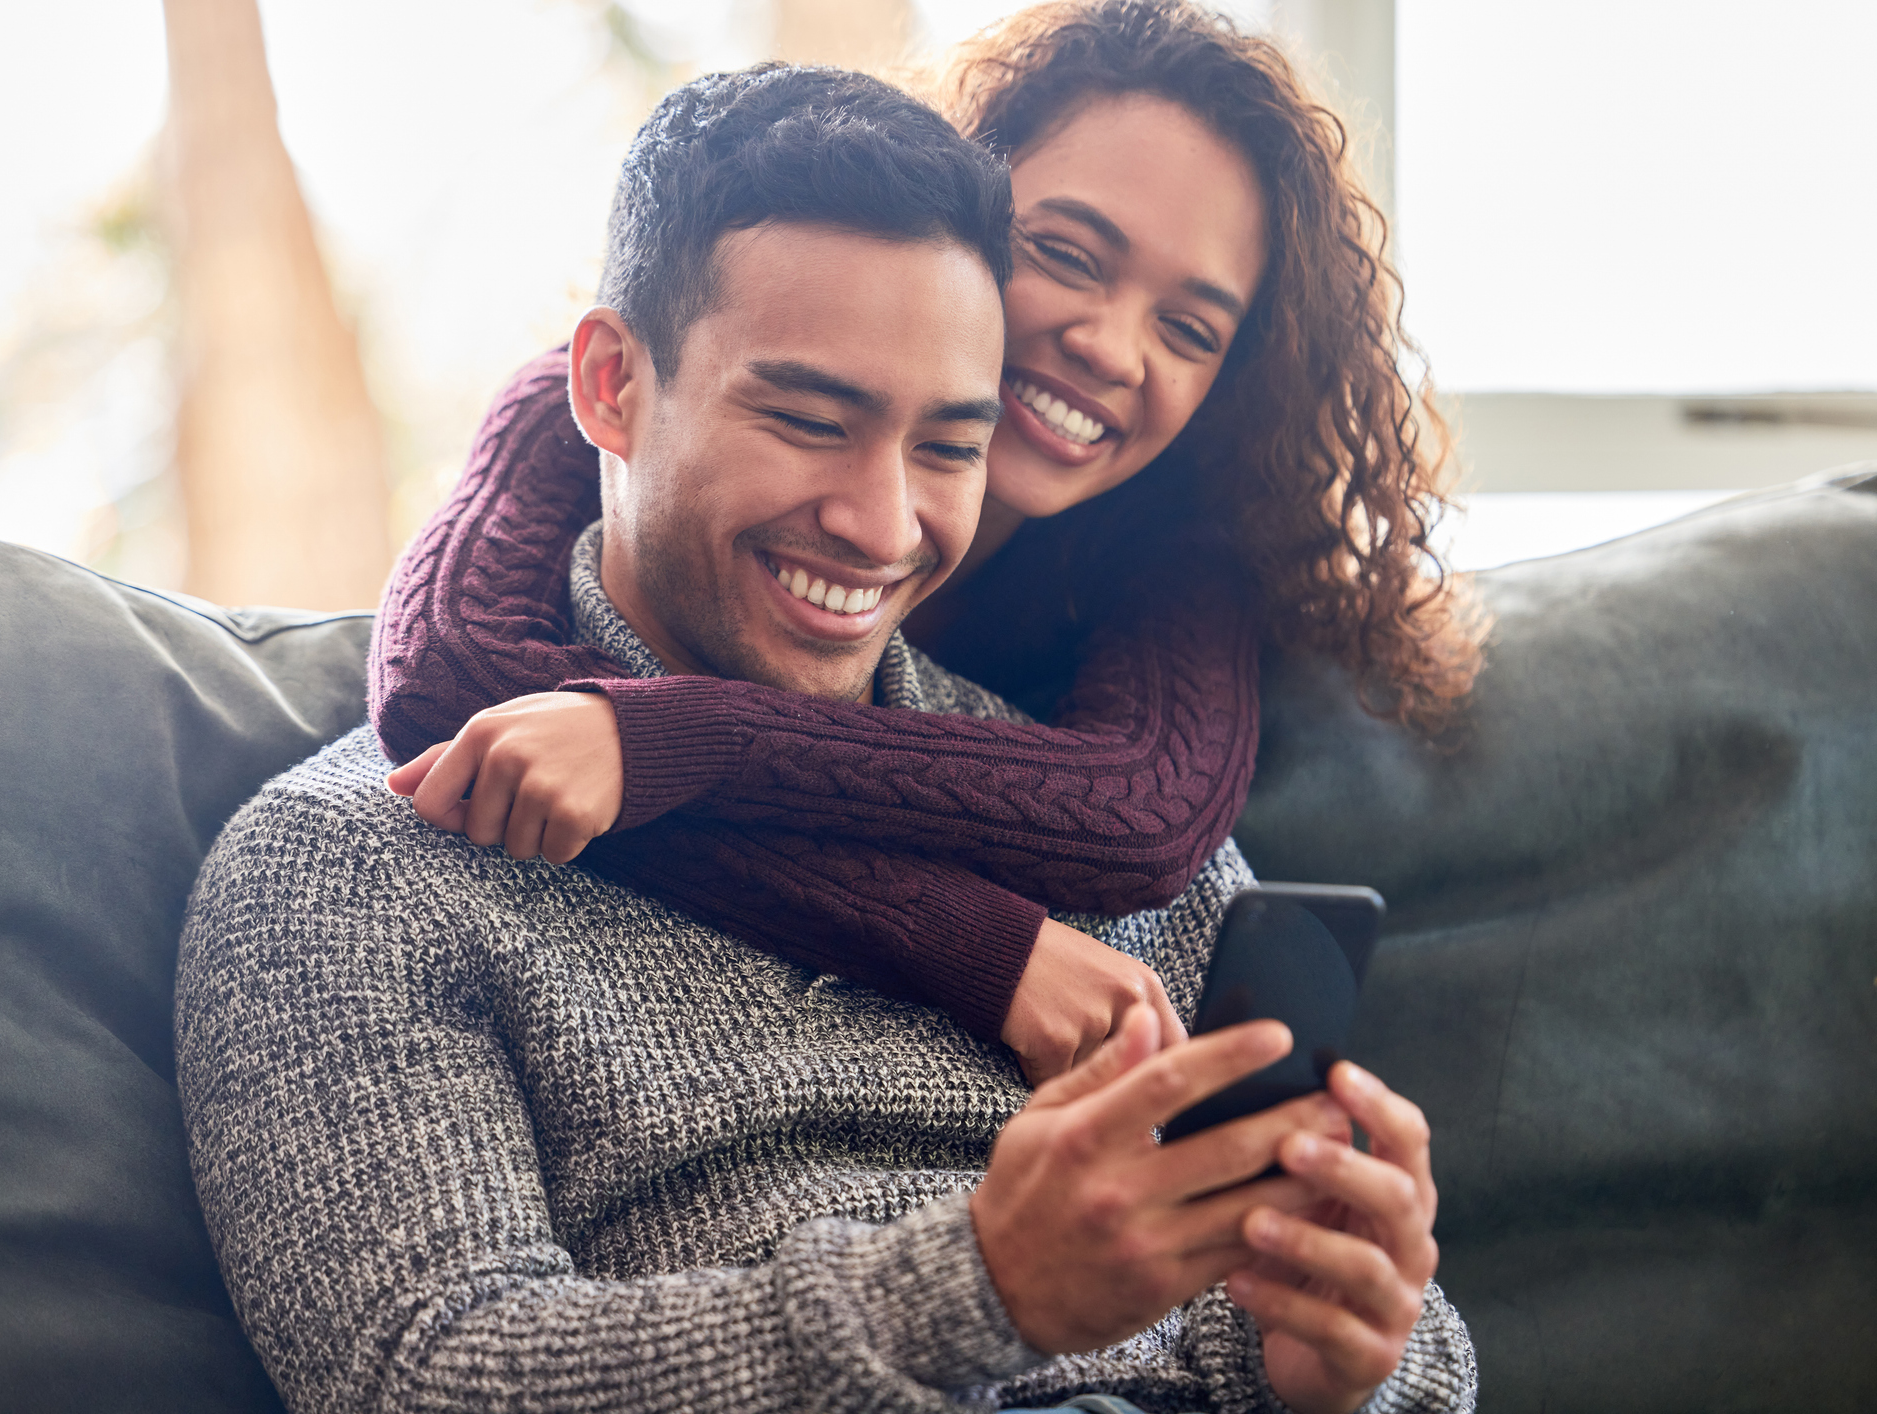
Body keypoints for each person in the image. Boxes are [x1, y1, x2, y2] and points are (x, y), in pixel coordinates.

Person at [178, 62, 1473, 1414]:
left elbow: (1429, 1356)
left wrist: (1339, 1362)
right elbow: (427, 1378)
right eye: (808, 421)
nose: (880, 524)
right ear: (614, 386)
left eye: (947, 447)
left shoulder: (1118, 849)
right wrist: (981, 1287)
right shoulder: (350, 868)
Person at [371, 0, 1483, 1086]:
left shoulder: (1172, 559)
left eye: (1186, 328)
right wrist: (975, 944)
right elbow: (453, 696)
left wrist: (666, 741)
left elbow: (1133, 822)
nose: (1108, 346)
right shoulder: (590, 415)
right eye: (1066, 253)